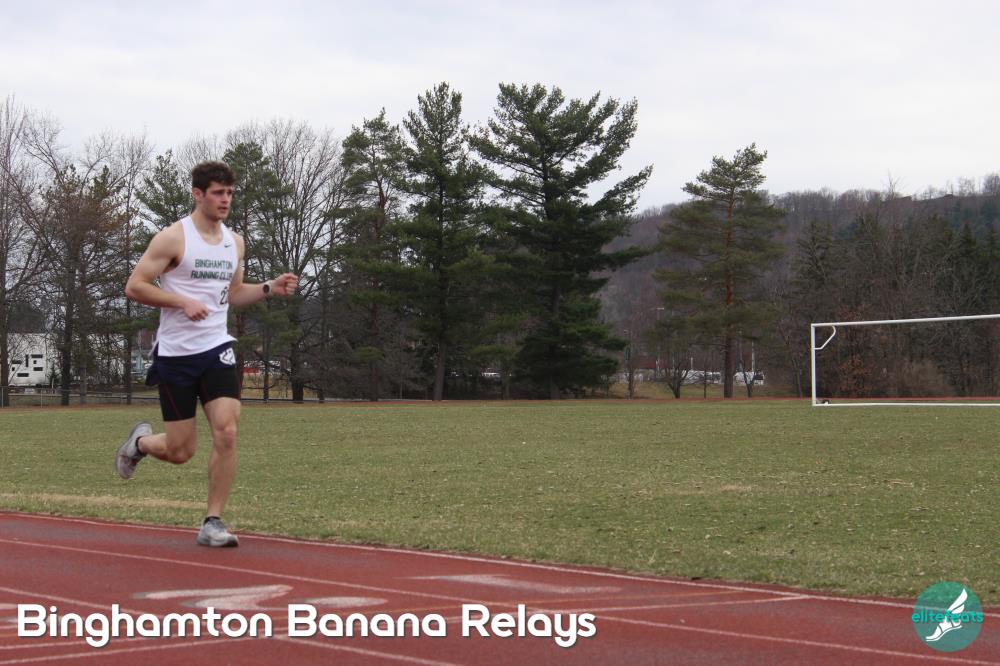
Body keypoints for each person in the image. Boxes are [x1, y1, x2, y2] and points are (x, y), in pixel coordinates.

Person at [116, 161, 298, 547]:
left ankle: (213, 521)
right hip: (176, 355)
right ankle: (141, 444)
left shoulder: (235, 243)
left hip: (217, 347)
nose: (225, 200)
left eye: (230, 193)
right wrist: (181, 301)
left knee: (227, 431)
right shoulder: (173, 238)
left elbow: (233, 294)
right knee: (181, 451)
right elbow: (135, 286)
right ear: (198, 194)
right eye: (218, 193)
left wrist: (269, 288)